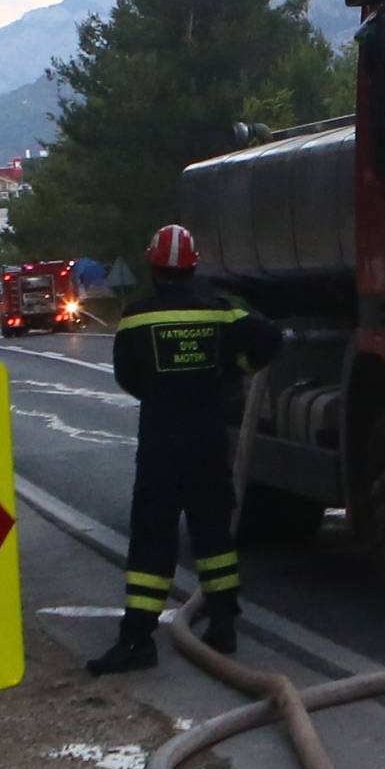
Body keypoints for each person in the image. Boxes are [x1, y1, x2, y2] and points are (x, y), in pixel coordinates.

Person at [87, 221, 281, 677]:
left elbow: (127, 376)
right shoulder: (221, 311)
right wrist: (234, 369)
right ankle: (224, 625)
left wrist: (160, 392)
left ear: (153, 266)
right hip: (209, 438)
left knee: (153, 535)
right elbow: (270, 341)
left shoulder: (136, 317)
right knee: (213, 532)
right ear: (194, 265)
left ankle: (137, 639)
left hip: (162, 440)